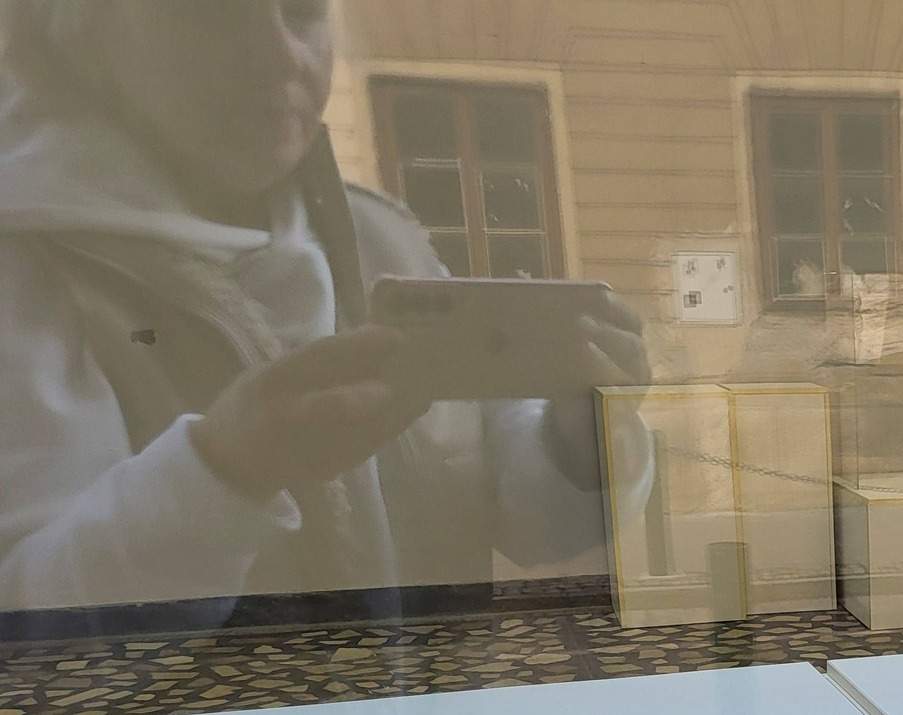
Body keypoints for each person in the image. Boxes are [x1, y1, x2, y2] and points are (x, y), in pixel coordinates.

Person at [0, 0, 648, 623]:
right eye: (214, 12)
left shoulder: (380, 238)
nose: (280, 56)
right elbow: (34, 654)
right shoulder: (28, 270)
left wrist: (584, 439)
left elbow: (524, 518)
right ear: (81, 32)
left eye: (304, 10)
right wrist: (224, 471)